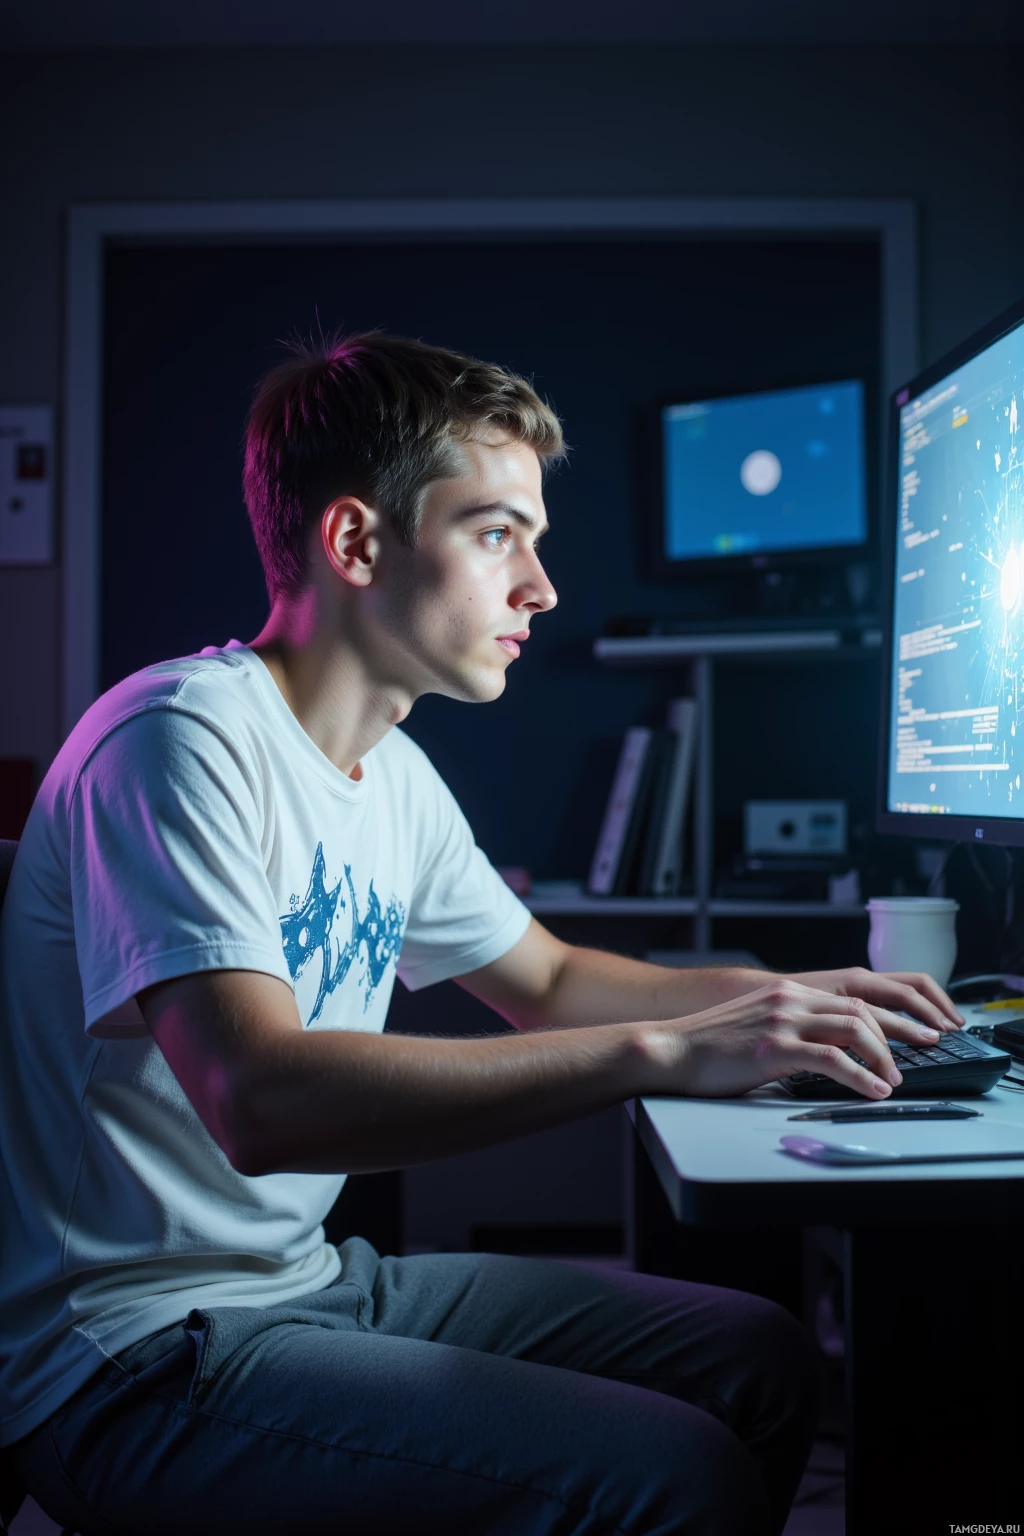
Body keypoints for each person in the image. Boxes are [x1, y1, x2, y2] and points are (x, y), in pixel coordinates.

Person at [0, 332, 963, 1536]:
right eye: (497, 532)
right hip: (130, 1358)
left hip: (304, 1287)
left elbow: (551, 980)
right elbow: (260, 1100)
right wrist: (667, 1052)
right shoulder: (180, 737)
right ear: (356, 542)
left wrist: (790, 994)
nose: (542, 589)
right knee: (675, 1475)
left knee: (759, 1360)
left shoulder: (389, 772)